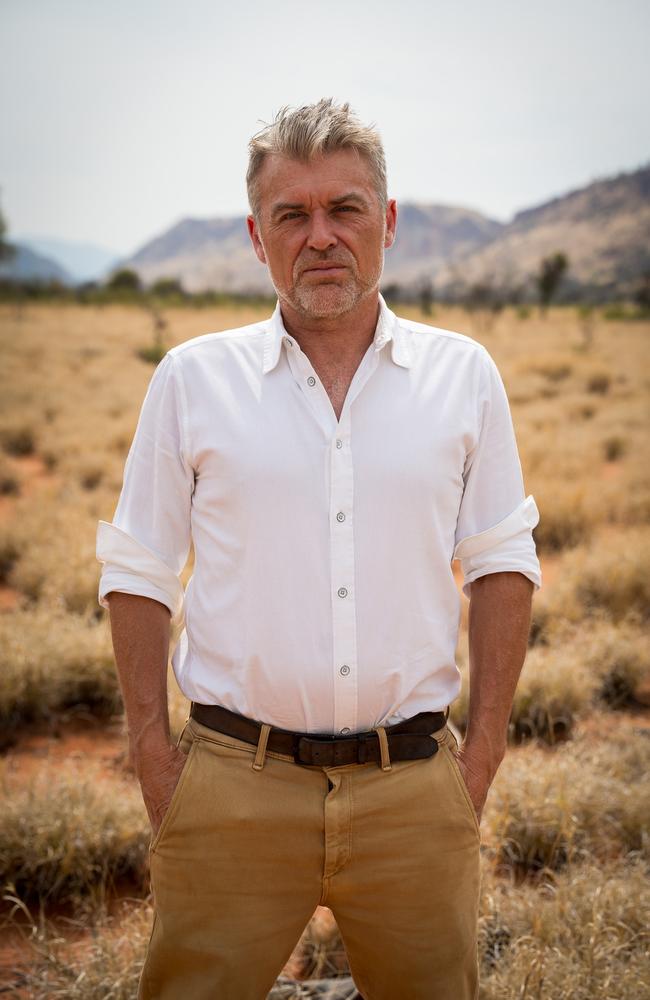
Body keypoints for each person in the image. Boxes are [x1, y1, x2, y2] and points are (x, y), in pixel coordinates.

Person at [96, 98, 541, 1000]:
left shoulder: (465, 376)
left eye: (344, 209)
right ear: (258, 239)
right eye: (291, 215)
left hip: (415, 790)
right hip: (231, 789)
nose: (321, 236)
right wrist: (155, 758)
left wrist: (481, 757)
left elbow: (501, 562)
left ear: (387, 222)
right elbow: (139, 570)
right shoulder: (192, 380)